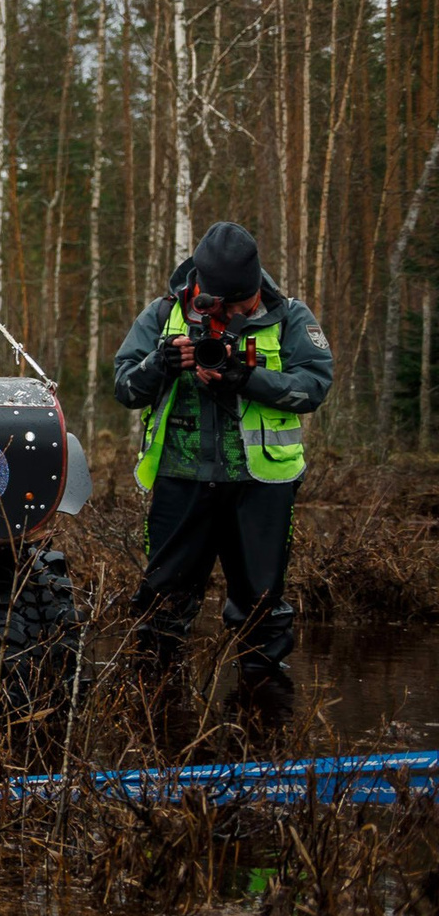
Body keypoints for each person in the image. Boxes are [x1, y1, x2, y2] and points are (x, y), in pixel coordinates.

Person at [111, 220, 333, 710]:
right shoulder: (163, 315)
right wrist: (160, 364)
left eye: (245, 304)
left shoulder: (291, 317)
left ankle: (264, 733)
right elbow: (125, 388)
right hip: (181, 479)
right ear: (202, 291)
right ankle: (158, 730)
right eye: (225, 306)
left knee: (262, 609)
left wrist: (246, 377)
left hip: (261, 484)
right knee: (162, 605)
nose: (236, 313)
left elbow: (315, 387)